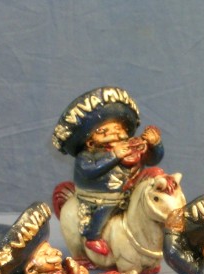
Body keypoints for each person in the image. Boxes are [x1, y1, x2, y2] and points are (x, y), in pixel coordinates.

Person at [53, 87, 164, 256]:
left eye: (118, 128)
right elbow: (89, 170)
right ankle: (93, 235)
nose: (113, 132)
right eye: (103, 131)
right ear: (90, 142)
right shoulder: (86, 156)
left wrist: (155, 145)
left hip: (132, 191)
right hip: (103, 195)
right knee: (107, 206)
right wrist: (114, 155)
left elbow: (152, 159)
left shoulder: (132, 147)